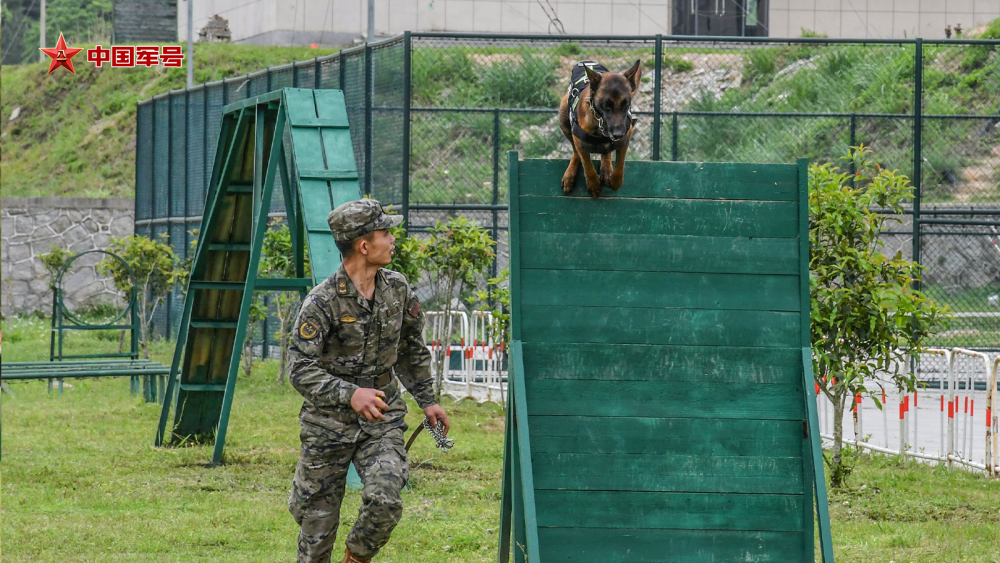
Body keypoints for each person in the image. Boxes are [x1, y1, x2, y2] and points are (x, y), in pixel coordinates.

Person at [287, 198, 449, 563]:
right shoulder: (322, 302)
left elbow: (411, 348)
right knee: (316, 531)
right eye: (386, 233)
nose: (393, 239)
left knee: (386, 499)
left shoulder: (398, 288)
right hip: (327, 424)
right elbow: (299, 368)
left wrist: (428, 399)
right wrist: (350, 394)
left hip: (382, 417)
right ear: (364, 245)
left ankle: (356, 558)